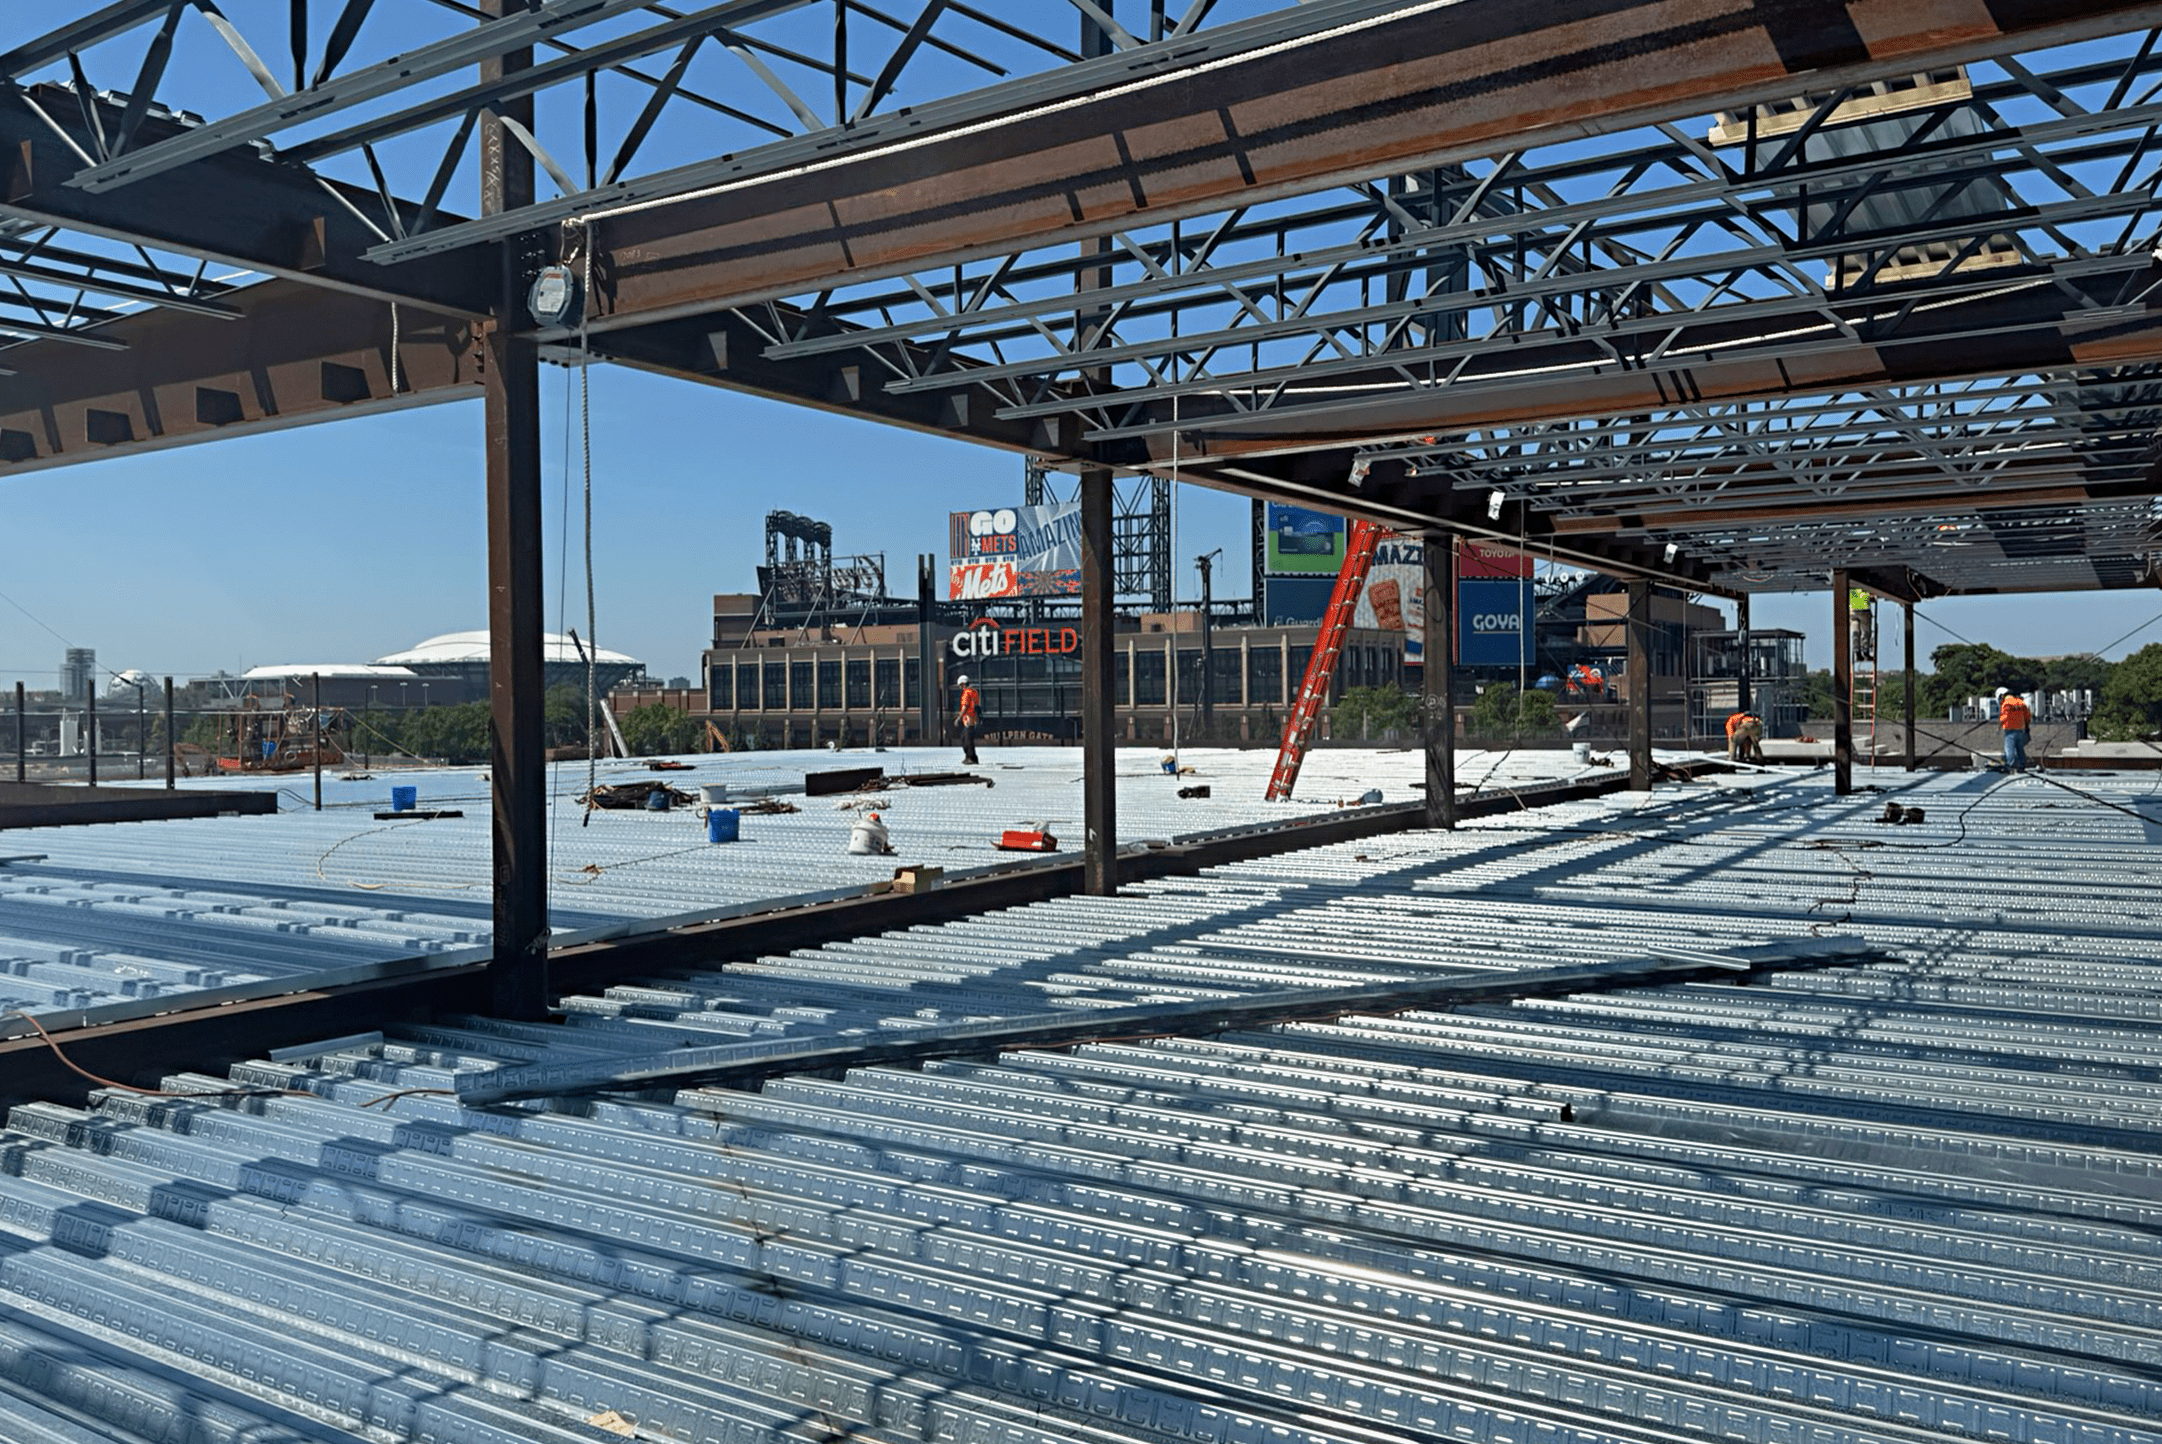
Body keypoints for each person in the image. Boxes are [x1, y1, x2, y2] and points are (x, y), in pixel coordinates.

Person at [1996, 686, 2032, 771]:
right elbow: (2027, 716)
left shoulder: (2006, 703)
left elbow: (2004, 716)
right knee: (2020, 749)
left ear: (2002, 695)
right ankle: (2022, 765)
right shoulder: (2020, 702)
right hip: (2021, 729)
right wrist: (2026, 727)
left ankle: (2010, 765)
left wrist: (1998, 727)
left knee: (2009, 749)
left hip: (2009, 729)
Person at [955, 673, 981, 765]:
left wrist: (959, 718)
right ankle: (971, 757)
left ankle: (971, 758)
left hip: (968, 718)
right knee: (966, 738)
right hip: (973, 718)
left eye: (960, 685)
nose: (960, 687)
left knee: (967, 739)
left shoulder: (966, 693)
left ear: (963, 684)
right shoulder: (974, 692)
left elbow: (965, 706)